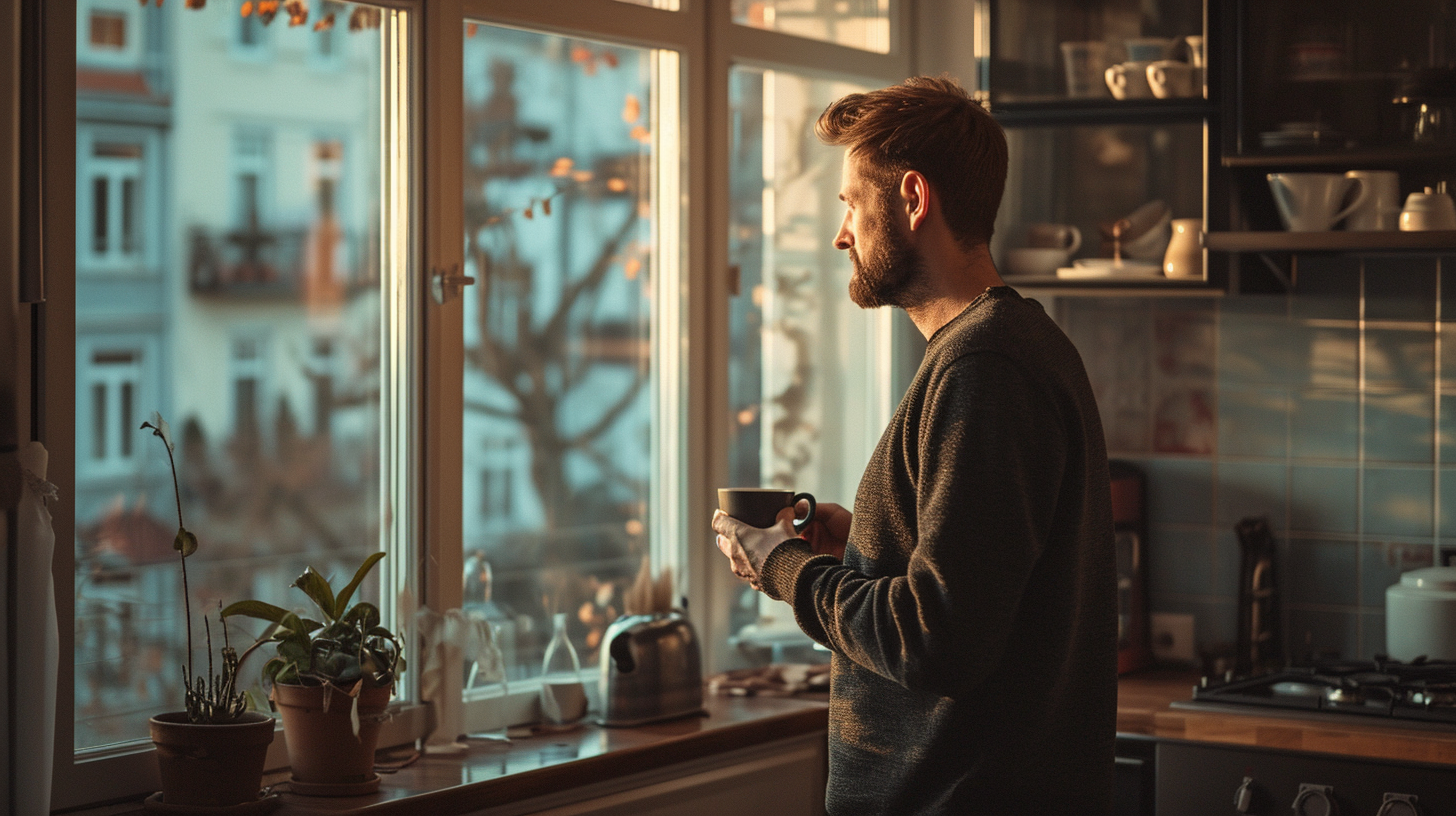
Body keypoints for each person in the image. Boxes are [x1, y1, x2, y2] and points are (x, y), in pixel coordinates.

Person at [710, 76, 1117, 815]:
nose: (842, 236)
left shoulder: (985, 368)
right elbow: (966, 589)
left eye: (850, 206)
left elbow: (940, 642)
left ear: (912, 198)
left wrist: (789, 571)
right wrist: (862, 549)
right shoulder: (1004, 348)